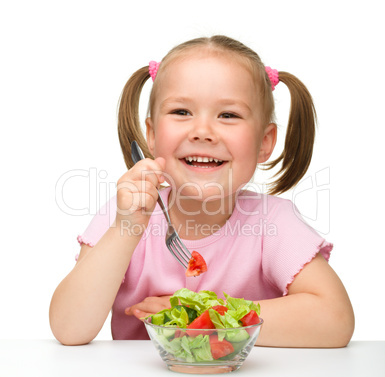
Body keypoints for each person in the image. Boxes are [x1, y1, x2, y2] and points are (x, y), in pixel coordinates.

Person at [49, 35, 354, 347]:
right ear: (152, 135)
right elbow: (69, 329)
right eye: (182, 112)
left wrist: (204, 315)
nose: (203, 132)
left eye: (228, 115)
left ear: (264, 142)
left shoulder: (273, 222)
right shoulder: (124, 215)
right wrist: (127, 229)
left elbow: (335, 319)